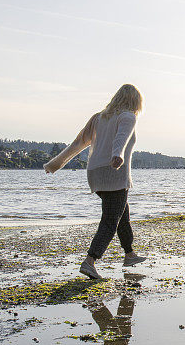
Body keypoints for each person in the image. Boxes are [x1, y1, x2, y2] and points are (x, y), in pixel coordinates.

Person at [44, 84, 147, 279]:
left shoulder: (100, 117)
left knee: (121, 213)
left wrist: (55, 164)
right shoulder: (128, 116)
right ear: (135, 101)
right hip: (113, 172)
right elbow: (121, 138)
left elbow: (78, 142)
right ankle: (90, 260)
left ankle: (130, 254)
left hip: (95, 173)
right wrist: (117, 155)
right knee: (110, 220)